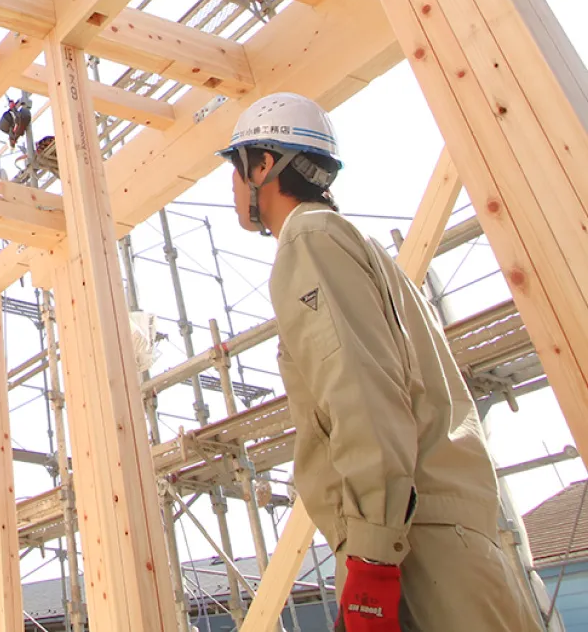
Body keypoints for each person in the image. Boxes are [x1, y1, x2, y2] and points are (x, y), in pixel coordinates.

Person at [219, 93, 543, 632]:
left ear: (263, 165)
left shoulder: (311, 239)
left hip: (413, 546)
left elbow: (361, 394)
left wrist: (371, 559)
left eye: (236, 168)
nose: (232, 187)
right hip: (439, 537)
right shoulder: (357, 247)